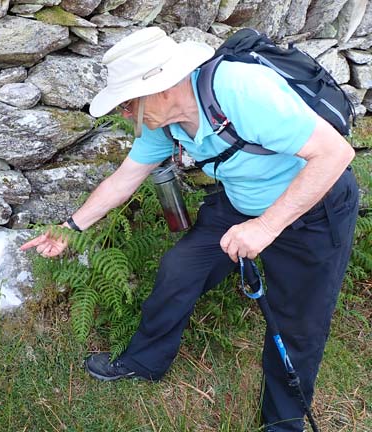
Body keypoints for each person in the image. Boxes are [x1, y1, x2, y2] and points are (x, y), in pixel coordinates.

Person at [20, 26, 359, 432]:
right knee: (180, 269)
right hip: (240, 205)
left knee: (297, 325)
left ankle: (282, 424)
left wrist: (266, 227)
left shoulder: (240, 90)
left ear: (160, 87)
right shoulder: (164, 123)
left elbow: (335, 153)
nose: (124, 115)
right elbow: (125, 178)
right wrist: (70, 228)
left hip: (312, 209)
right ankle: (143, 363)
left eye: (128, 104)